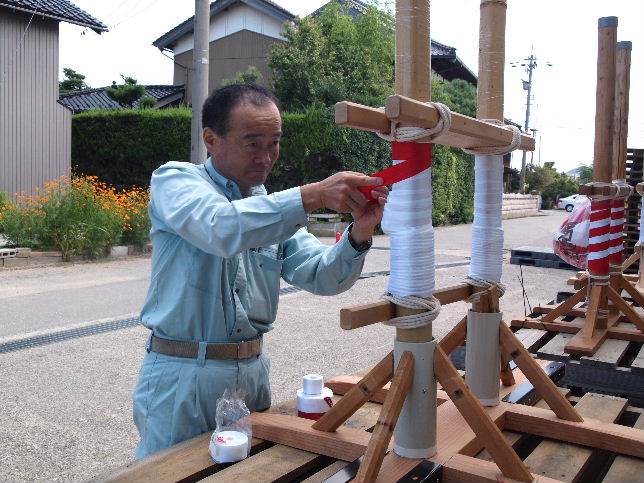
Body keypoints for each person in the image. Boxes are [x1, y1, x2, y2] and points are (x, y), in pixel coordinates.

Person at [132, 84, 388, 459]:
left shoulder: (266, 205)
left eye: (275, 143)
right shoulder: (176, 181)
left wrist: (360, 232)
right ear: (211, 139)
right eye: (253, 143)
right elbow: (221, 227)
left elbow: (322, 274)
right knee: (166, 473)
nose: (266, 157)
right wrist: (313, 195)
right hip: (183, 374)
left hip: (251, 373)